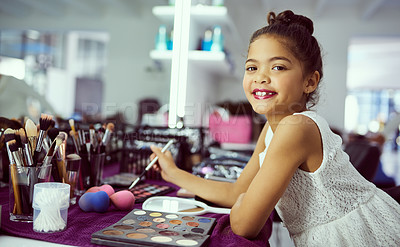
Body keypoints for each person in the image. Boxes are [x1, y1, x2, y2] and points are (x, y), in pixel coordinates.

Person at [149, 10, 400, 246]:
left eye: (278, 67)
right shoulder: (273, 128)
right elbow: (237, 191)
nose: (261, 77)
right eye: (252, 67)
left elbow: (244, 225)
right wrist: (173, 173)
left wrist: (244, 204)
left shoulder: (296, 127)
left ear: (310, 81)